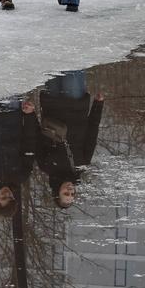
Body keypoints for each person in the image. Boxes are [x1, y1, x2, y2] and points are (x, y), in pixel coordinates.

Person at [36, 72, 104, 207]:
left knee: (53, 63)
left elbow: (36, 137)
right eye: (73, 194)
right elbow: (92, 132)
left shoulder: (46, 166)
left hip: (52, 103)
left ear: (57, 191)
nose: (70, 191)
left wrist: (29, 115)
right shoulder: (82, 164)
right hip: (75, 104)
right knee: (73, 67)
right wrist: (98, 105)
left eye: (66, 194)